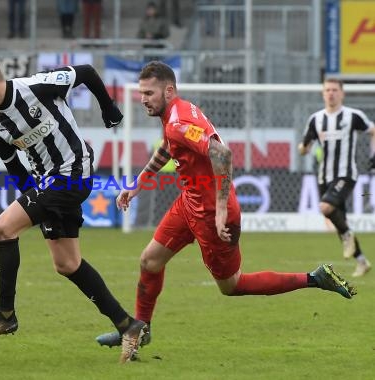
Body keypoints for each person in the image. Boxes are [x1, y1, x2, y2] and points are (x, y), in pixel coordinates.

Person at [95, 61, 357, 348]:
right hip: (189, 203)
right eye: (142, 93)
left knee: (232, 286)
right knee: (149, 260)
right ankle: (139, 330)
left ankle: (314, 278)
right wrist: (138, 183)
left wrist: (220, 210)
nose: (143, 99)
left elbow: (223, 153)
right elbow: (169, 146)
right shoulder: (175, 115)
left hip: (212, 215)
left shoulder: (180, 122)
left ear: (168, 91)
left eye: (149, 93)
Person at [0, 47, 148, 363]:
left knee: (3, 227)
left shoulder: (36, 86)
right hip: (49, 184)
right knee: (67, 264)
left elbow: (84, 71)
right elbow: (17, 171)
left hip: (74, 171)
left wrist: (107, 107)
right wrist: (37, 207)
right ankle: (128, 325)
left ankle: (5, 314)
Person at [298, 78, 374, 278]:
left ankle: (348, 236)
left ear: (342, 93)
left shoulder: (353, 116)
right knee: (339, 219)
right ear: (323, 94)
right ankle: (362, 261)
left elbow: (373, 131)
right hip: (325, 176)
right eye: (327, 90)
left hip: (346, 173)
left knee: (326, 207)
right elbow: (305, 147)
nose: (331, 93)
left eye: (334, 90)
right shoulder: (316, 119)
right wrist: (303, 148)